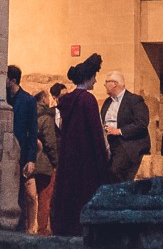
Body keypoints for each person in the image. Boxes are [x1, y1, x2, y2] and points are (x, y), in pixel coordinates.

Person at [49, 54, 111, 236]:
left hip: (70, 156)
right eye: (94, 76)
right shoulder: (87, 100)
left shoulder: (67, 100)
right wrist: (103, 154)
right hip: (86, 158)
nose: (96, 80)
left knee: (69, 193)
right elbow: (95, 131)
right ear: (88, 77)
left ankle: (66, 227)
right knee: (85, 194)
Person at [101, 71, 150, 181]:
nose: (104, 85)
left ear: (114, 84)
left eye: (106, 82)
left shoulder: (134, 100)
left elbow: (142, 123)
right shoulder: (107, 102)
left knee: (114, 170)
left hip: (127, 141)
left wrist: (119, 131)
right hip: (109, 141)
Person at [8, 66, 39, 232]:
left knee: (21, 193)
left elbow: (32, 131)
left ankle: (20, 227)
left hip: (20, 152)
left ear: (12, 80)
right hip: (5, 150)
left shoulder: (28, 100)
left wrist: (31, 159)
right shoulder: (2, 98)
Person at [31, 81, 63, 234]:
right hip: (44, 162)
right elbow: (50, 142)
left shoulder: (29, 113)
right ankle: (43, 230)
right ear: (43, 98)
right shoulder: (46, 117)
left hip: (29, 160)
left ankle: (28, 227)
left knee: (29, 198)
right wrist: (56, 162)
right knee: (45, 197)